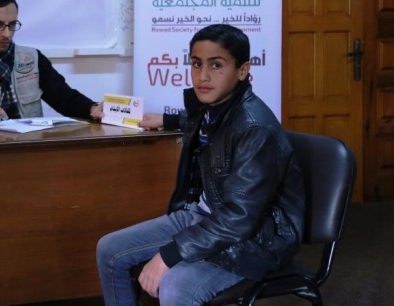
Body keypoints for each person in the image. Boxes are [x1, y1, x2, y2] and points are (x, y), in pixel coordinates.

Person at [96, 24, 305, 306]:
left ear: (242, 71)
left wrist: (169, 255)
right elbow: (208, 125)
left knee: (175, 286)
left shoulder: (255, 129)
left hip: (254, 239)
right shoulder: (212, 106)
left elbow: (240, 217)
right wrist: (168, 120)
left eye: (216, 65)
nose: (202, 75)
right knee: (109, 249)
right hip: (206, 216)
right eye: (196, 64)